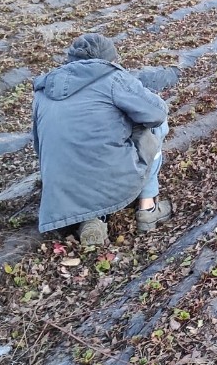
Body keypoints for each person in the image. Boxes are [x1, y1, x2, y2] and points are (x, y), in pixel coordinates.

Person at [32, 33, 173, 245]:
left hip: (59, 190)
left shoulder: (44, 89)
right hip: (109, 174)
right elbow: (157, 114)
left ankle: (93, 218)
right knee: (156, 128)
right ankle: (148, 208)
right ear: (109, 59)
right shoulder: (112, 78)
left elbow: (38, 144)